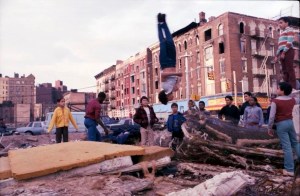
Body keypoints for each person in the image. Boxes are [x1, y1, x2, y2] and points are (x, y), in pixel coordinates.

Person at [268, 82, 300, 176]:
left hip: (281, 124)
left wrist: (269, 127)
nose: (277, 90)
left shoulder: (275, 101)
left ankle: (289, 170)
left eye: (278, 88)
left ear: (282, 91)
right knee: (295, 143)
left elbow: (271, 117)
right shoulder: (293, 100)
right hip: (291, 122)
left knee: (287, 147)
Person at [157, 13, 183, 105]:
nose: (173, 98)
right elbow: (179, 77)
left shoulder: (165, 87)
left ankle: (159, 25)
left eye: (170, 99)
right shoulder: (174, 88)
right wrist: (178, 82)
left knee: (163, 42)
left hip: (165, 63)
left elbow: (163, 75)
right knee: (170, 41)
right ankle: (163, 22)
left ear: (167, 97)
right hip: (173, 62)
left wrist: (177, 74)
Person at [274, 17, 296, 89]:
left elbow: (289, 42)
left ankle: (292, 87)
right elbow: (280, 46)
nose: (279, 25)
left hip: (288, 51)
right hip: (282, 52)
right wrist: (276, 55)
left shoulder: (290, 30)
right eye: (278, 23)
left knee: (290, 69)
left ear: (287, 23)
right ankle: (286, 88)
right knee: (284, 70)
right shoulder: (282, 33)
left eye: (281, 23)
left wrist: (284, 52)